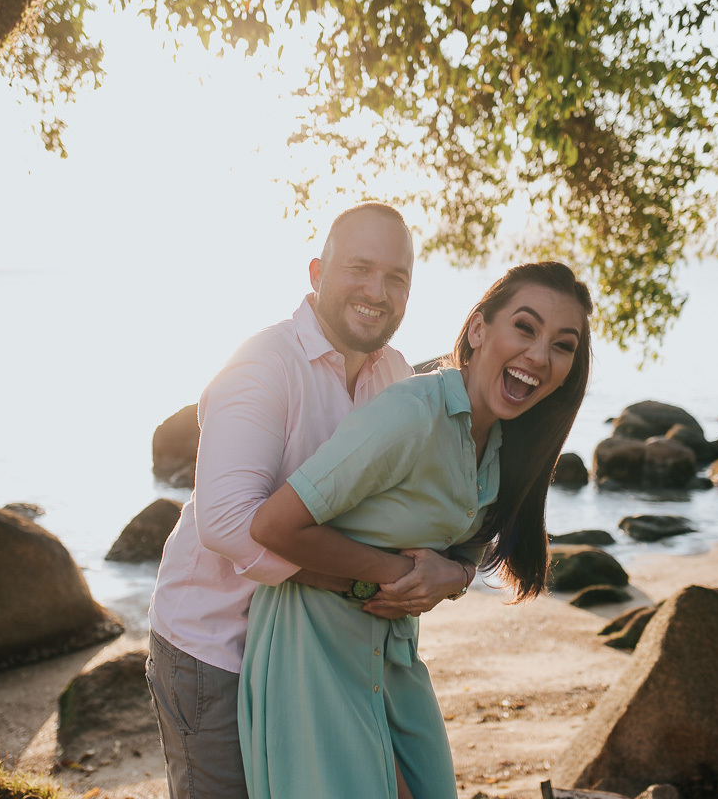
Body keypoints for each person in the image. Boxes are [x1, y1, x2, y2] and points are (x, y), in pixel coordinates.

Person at [146, 202, 475, 799]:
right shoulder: (263, 364)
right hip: (219, 646)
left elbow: (427, 504)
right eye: (359, 269)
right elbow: (226, 522)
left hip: (318, 655)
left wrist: (454, 571)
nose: (378, 291)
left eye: (396, 278)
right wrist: (360, 579)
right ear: (317, 272)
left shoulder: (395, 377)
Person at [240, 261, 594, 799]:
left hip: (392, 656)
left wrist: (453, 575)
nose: (540, 355)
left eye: (563, 345)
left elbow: (467, 550)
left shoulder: (500, 446)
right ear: (478, 330)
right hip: (312, 653)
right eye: (525, 327)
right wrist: (397, 573)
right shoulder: (412, 413)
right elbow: (273, 525)